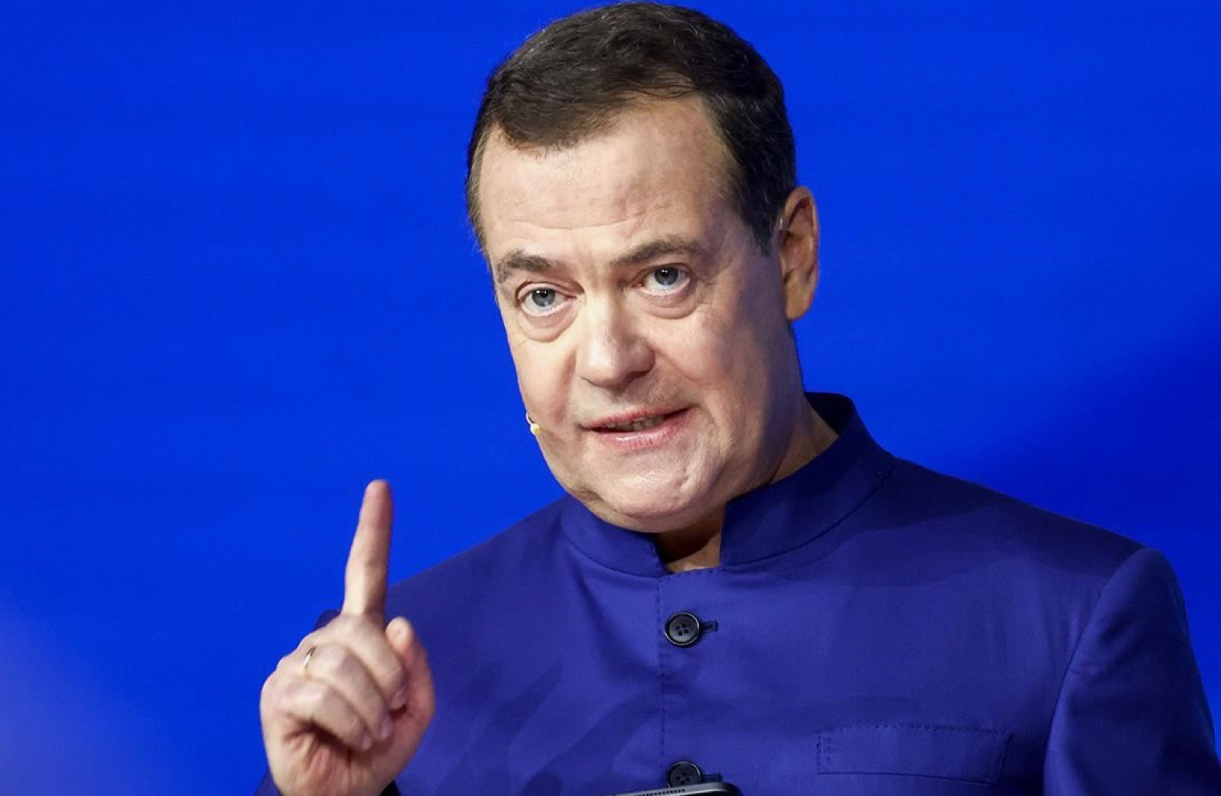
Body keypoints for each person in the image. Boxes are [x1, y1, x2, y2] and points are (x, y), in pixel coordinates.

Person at [255, 4, 1220, 795]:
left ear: (791, 255)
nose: (607, 360)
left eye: (663, 276)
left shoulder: (1070, 617)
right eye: (543, 295)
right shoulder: (391, 675)